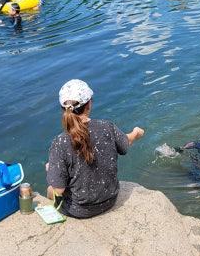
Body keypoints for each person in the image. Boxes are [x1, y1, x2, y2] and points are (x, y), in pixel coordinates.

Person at [46, 79, 145, 218]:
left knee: (51, 188)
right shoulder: (107, 127)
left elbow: (59, 189)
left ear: (63, 108)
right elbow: (125, 144)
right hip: (109, 200)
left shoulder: (60, 142)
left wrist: (52, 170)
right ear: (89, 104)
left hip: (78, 210)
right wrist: (136, 133)